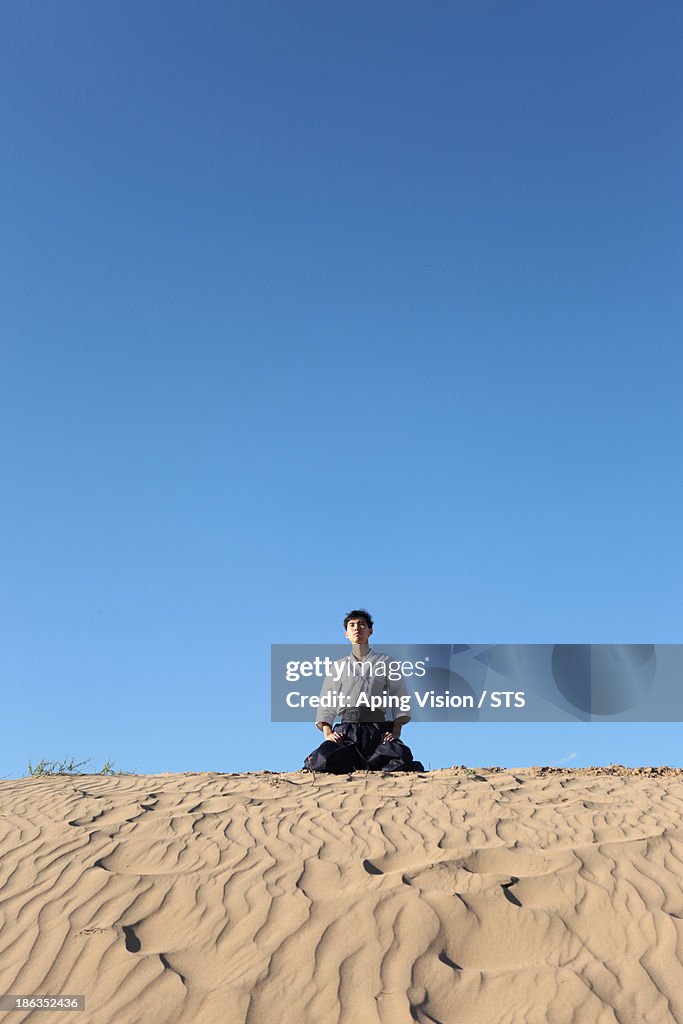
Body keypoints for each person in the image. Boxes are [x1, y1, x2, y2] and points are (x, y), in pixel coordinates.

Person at [303, 609, 425, 774]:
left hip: (378, 729)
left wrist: (396, 731)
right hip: (347, 730)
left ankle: (373, 763)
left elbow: (399, 695)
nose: (356, 628)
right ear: (346, 633)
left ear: (370, 631)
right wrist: (327, 732)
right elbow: (327, 699)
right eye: (352, 625)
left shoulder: (386, 662)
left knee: (402, 757)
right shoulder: (338, 666)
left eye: (361, 624)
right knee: (321, 760)